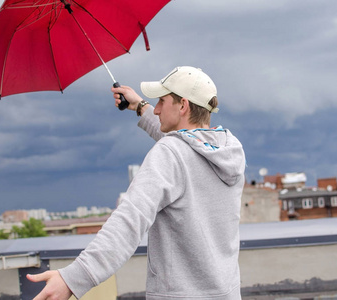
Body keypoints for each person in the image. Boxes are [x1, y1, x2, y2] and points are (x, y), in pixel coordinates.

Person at [28, 66, 246, 300]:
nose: (158, 109)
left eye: (162, 101)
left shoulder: (169, 153)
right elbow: (187, 145)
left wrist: (73, 278)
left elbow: (129, 221)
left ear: (183, 105)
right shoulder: (229, 149)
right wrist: (139, 106)